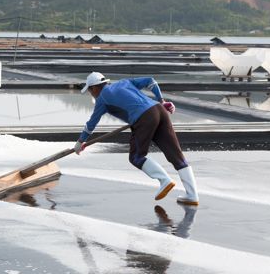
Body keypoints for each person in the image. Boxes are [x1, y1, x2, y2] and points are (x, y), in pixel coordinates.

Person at [74, 72, 198, 205]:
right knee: (176, 155)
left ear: (95, 87)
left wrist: (81, 141)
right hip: (159, 110)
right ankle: (192, 196)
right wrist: (162, 101)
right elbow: (151, 81)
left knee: (136, 157)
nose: (91, 94)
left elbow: (91, 124)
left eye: (90, 90)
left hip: (144, 118)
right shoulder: (124, 82)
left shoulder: (102, 99)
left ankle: (164, 180)